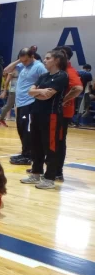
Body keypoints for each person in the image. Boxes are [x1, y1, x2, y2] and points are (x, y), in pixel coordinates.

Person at [19, 50, 69, 190]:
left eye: (48, 58)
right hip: (36, 113)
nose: (45, 60)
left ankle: (49, 178)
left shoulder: (62, 76)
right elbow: (30, 91)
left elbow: (47, 96)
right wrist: (39, 91)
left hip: (51, 115)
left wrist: (37, 92)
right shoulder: (44, 76)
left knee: (50, 146)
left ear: (57, 60)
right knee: (36, 144)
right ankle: (36, 173)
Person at [3, 47, 46, 166]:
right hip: (20, 103)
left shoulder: (39, 66)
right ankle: (25, 152)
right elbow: (6, 70)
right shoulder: (23, 66)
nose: (24, 63)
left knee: (28, 131)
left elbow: (46, 81)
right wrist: (19, 61)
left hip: (31, 103)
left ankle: (28, 156)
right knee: (21, 129)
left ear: (33, 57)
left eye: (26, 60)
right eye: (22, 60)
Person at [53, 46, 82, 181]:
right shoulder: (59, 72)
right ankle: (49, 168)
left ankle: (58, 171)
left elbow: (77, 88)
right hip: (53, 113)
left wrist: (63, 100)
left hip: (62, 114)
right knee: (52, 141)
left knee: (59, 141)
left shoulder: (69, 72)